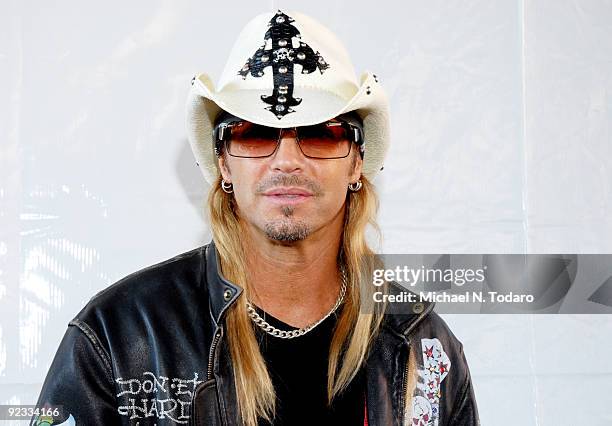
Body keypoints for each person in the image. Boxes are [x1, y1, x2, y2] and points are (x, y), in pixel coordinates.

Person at [31, 10, 479, 426]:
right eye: (255, 133)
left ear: (356, 163)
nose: (287, 161)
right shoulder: (117, 337)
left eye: (321, 134)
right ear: (224, 163)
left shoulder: (423, 348)